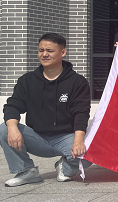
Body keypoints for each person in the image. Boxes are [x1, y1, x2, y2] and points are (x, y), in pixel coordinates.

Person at [2, 33, 92, 187]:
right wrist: (12, 128)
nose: (44, 54)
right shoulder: (27, 80)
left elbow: (81, 113)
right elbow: (13, 105)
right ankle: (27, 171)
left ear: (62, 52)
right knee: (4, 129)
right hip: (37, 137)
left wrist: (78, 141)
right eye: (41, 50)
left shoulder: (77, 82)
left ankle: (65, 167)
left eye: (50, 51)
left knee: (90, 151)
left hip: (66, 137)